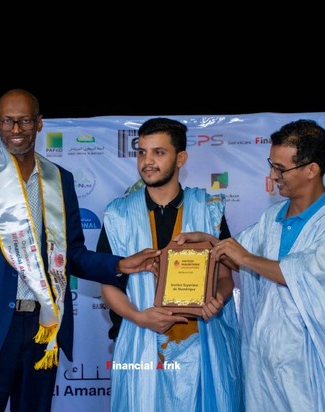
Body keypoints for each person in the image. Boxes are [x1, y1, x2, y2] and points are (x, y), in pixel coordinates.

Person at [175, 119, 325, 411]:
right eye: (271, 165)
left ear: (312, 169)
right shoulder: (271, 218)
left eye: (281, 168)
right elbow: (237, 256)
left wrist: (244, 257)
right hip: (267, 366)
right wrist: (208, 243)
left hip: (322, 364)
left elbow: (306, 271)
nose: (272, 175)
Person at [0, 89, 160, 412]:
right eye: (8, 121)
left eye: (25, 121)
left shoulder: (59, 180)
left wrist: (121, 264)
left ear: (39, 123)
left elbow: (72, 253)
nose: (16, 129)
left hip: (43, 328)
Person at [96, 117, 243, 411]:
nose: (147, 162)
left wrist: (217, 299)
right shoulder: (118, 214)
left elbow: (225, 277)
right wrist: (139, 317)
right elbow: (108, 285)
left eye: (159, 152)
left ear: (181, 159)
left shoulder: (208, 209)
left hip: (202, 349)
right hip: (140, 346)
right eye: (142, 152)